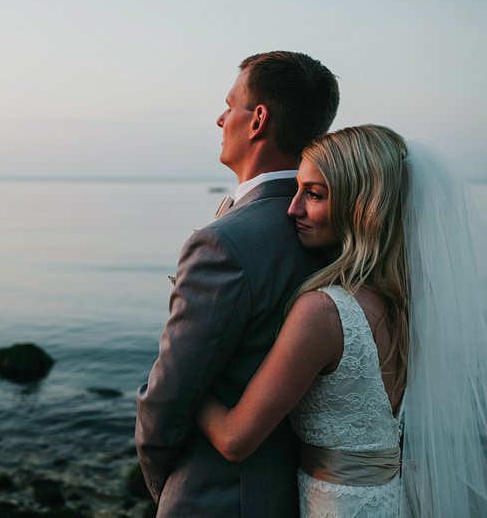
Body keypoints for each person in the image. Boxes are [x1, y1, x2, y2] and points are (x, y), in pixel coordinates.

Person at [197, 125, 487, 517]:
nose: (292, 208)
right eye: (298, 189)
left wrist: (189, 381)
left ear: (362, 206)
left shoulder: (323, 312)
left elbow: (235, 439)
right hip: (391, 499)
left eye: (314, 195)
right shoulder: (413, 300)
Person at [135, 51, 340, 516]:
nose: (220, 118)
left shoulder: (224, 243)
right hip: (299, 491)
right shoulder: (345, 228)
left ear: (258, 120)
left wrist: (166, 487)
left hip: (218, 495)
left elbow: (167, 399)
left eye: (230, 105)